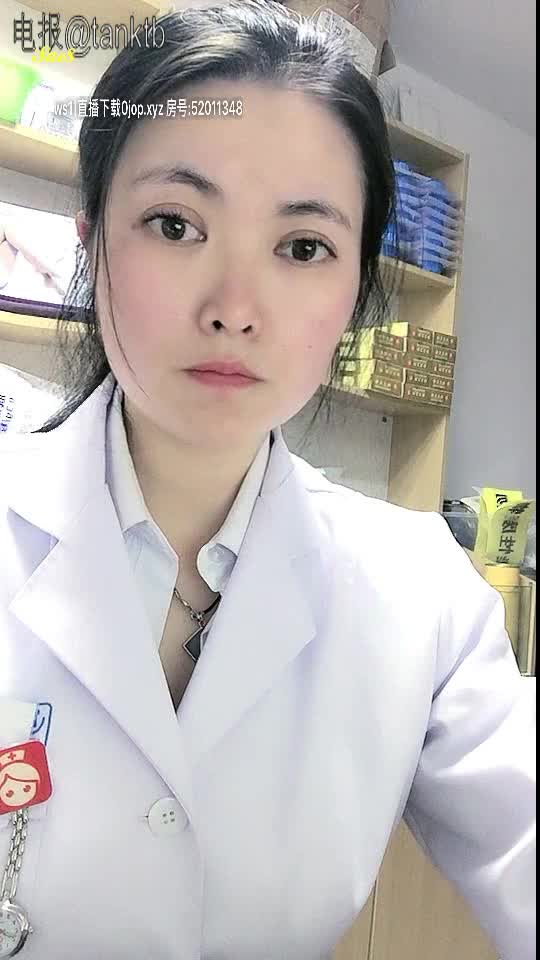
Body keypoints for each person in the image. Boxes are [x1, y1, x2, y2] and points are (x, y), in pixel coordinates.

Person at [0, 2, 535, 958]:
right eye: (175, 224)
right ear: (90, 240)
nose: (235, 309)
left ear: (355, 290)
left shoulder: (421, 598)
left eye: (302, 247)